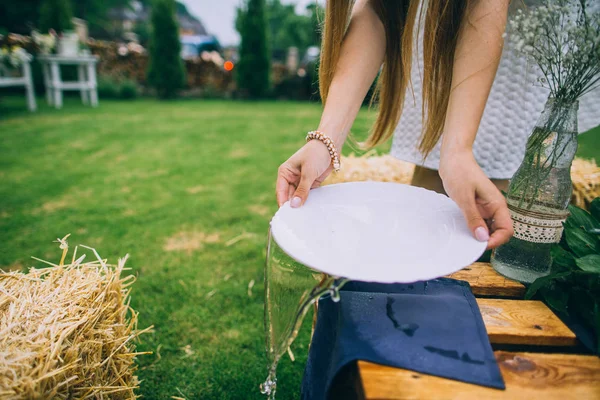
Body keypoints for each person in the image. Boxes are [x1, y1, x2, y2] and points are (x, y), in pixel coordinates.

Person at [276, 0, 514, 249]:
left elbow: (484, 5)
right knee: (423, 242)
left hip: (509, 87)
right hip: (435, 82)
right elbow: (378, 10)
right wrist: (325, 141)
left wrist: (457, 149)